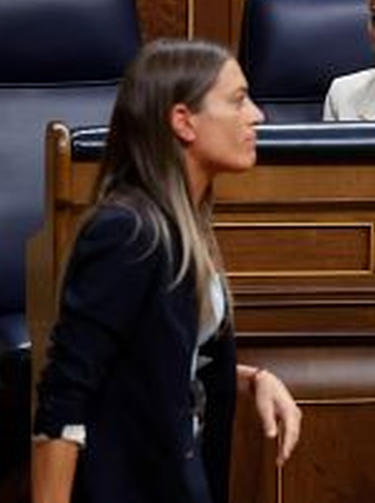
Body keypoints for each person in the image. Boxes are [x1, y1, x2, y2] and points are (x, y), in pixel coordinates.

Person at [32, 38, 302, 503]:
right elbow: (66, 394)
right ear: (183, 121)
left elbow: (155, 359)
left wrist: (251, 378)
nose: (257, 115)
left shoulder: (179, 226)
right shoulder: (127, 232)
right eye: (237, 101)